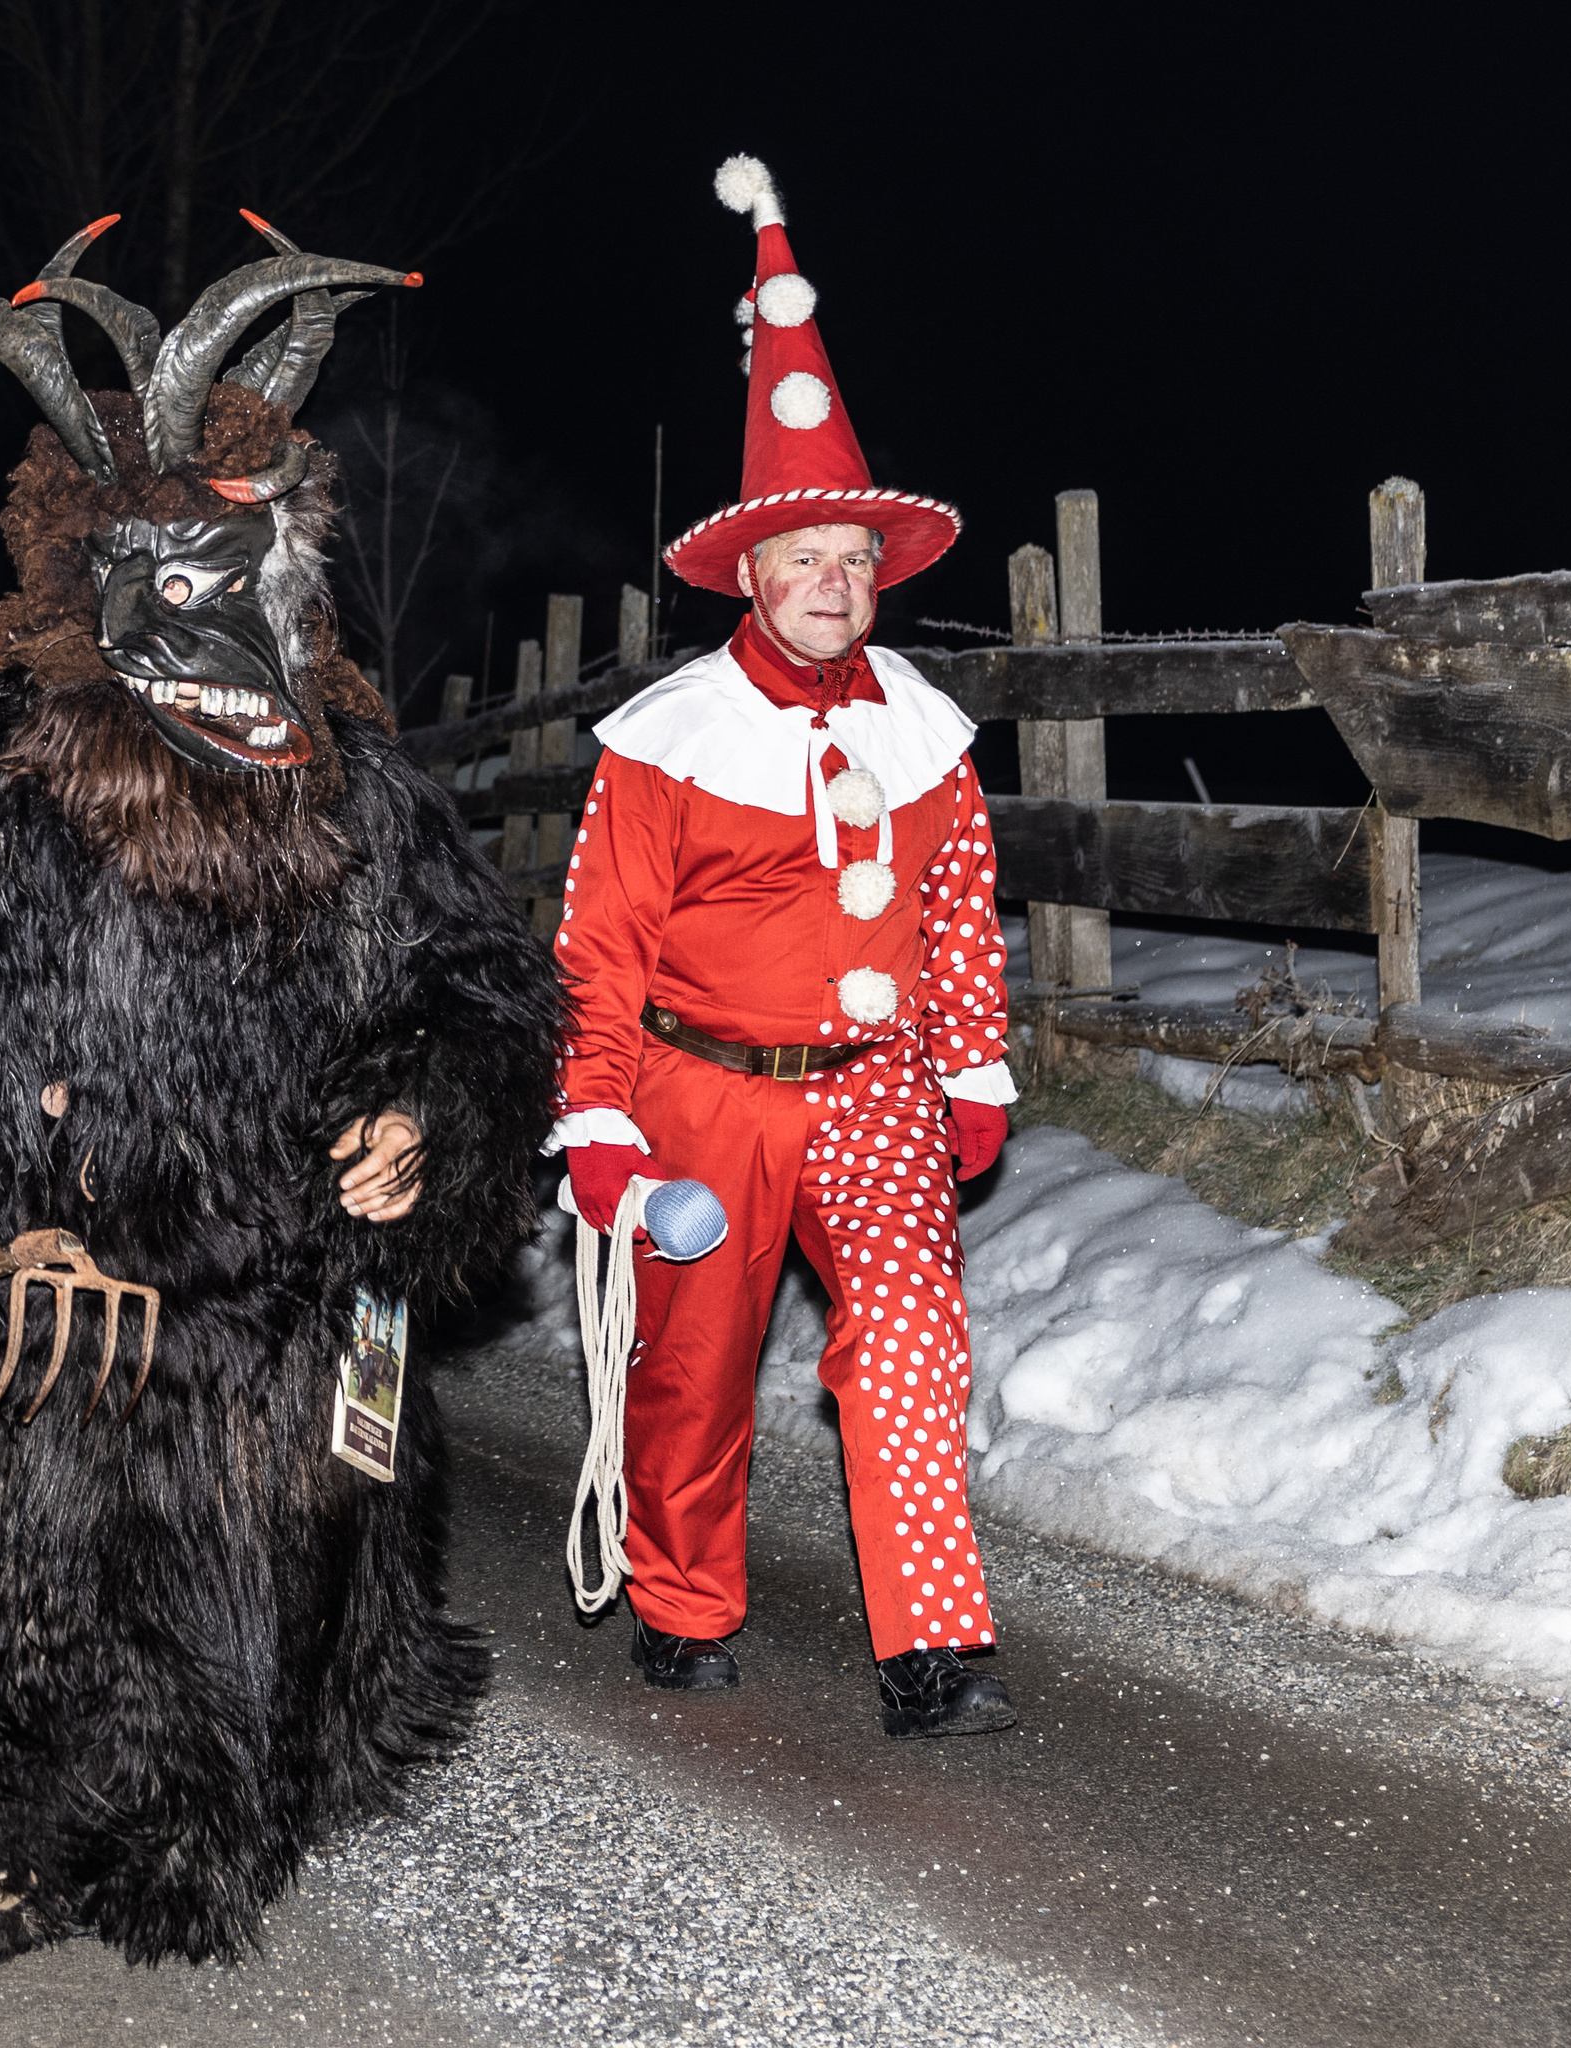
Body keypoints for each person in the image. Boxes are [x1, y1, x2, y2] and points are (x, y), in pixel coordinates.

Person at [0, 215, 557, 1964]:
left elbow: (484, 994)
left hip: (267, 1309)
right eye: (175, 578)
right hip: (34, 1302)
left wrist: (429, 1110)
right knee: (0, 1594)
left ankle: (192, 1819)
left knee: (250, 1614)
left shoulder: (359, 787)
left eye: (256, 574)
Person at [550, 155, 1019, 1740]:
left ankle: (931, 1650)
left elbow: (958, 905)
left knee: (907, 1343)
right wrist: (600, 1120)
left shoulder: (931, 732)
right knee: (694, 1373)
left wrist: (971, 1066)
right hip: (703, 1095)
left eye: (856, 565)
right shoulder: (670, 739)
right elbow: (600, 944)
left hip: (876, 1088)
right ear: (750, 572)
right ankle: (685, 1601)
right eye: (805, 562)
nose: (834, 588)